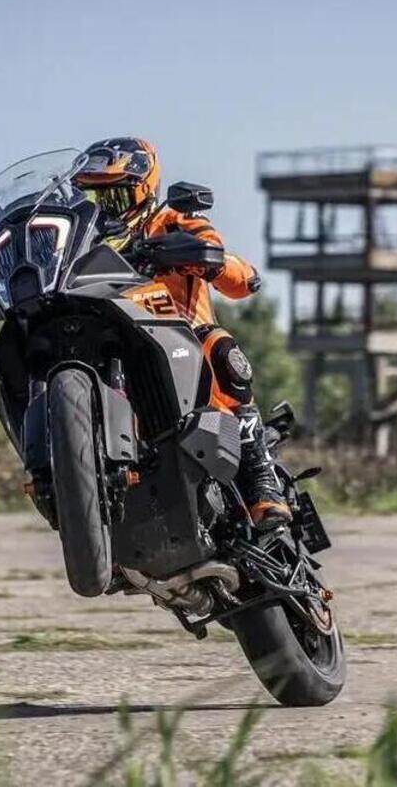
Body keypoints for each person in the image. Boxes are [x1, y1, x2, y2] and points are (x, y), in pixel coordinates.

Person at [73, 137, 291, 529]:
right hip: (105, 335)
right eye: (96, 197)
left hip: (177, 339)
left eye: (117, 196)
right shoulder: (79, 237)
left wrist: (205, 259)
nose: (107, 207)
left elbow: (238, 276)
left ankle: (260, 481)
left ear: (145, 189)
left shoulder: (173, 221)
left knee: (220, 350)